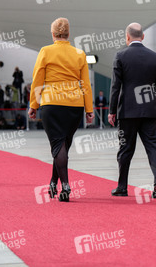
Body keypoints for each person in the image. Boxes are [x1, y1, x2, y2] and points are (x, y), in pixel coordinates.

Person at [28, 17, 94, 202]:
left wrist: (34, 105)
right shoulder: (79, 54)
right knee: (62, 145)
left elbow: (38, 80)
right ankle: (53, 182)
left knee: (58, 146)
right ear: (68, 33)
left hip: (51, 103)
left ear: (53, 34)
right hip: (74, 105)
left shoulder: (45, 51)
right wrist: (89, 109)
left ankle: (65, 185)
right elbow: (86, 85)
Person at [108, 22, 156, 199]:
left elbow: (115, 87)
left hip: (127, 112)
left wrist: (112, 111)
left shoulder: (121, 56)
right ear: (142, 37)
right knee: (153, 147)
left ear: (127, 37)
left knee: (125, 149)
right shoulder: (155, 57)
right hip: (149, 111)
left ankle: (122, 187)